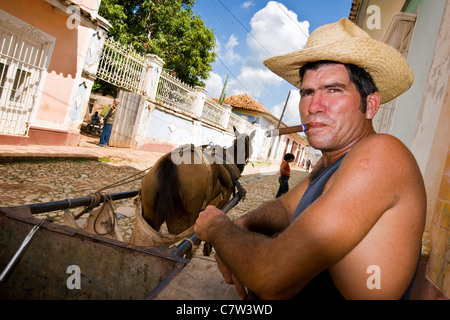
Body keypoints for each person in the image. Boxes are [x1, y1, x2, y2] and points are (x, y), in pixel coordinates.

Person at [194, 18, 426, 300]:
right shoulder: (330, 163)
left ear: (370, 105)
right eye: (307, 92)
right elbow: (286, 209)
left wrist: (218, 227)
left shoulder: (382, 155)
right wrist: (244, 224)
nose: (314, 107)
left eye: (334, 90)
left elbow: (272, 275)